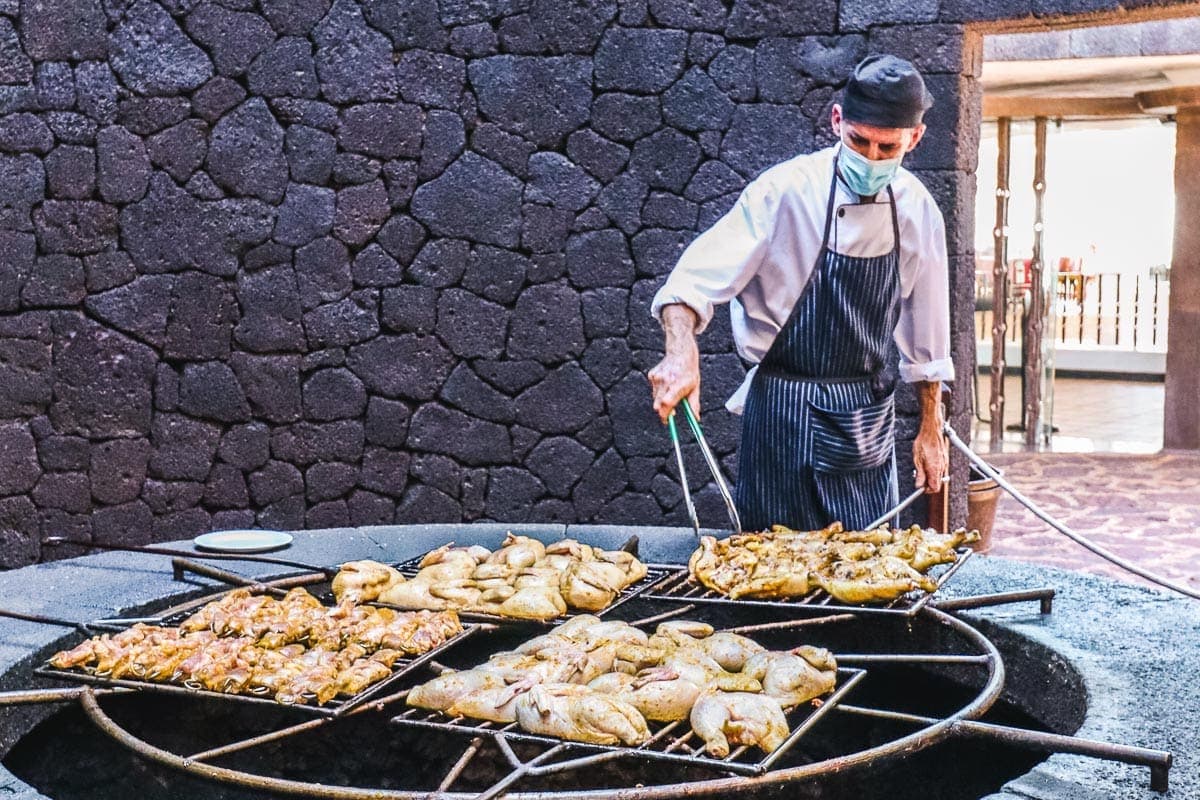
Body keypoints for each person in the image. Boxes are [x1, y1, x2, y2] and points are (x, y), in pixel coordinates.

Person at [647, 54, 953, 533]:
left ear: (914, 138)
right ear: (837, 121)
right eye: (858, 140)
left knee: (871, 563)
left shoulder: (917, 210)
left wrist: (931, 426)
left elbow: (928, 336)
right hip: (781, 414)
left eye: (887, 147)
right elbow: (689, 284)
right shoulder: (784, 192)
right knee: (768, 563)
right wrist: (680, 351)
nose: (871, 158)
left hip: (863, 418)